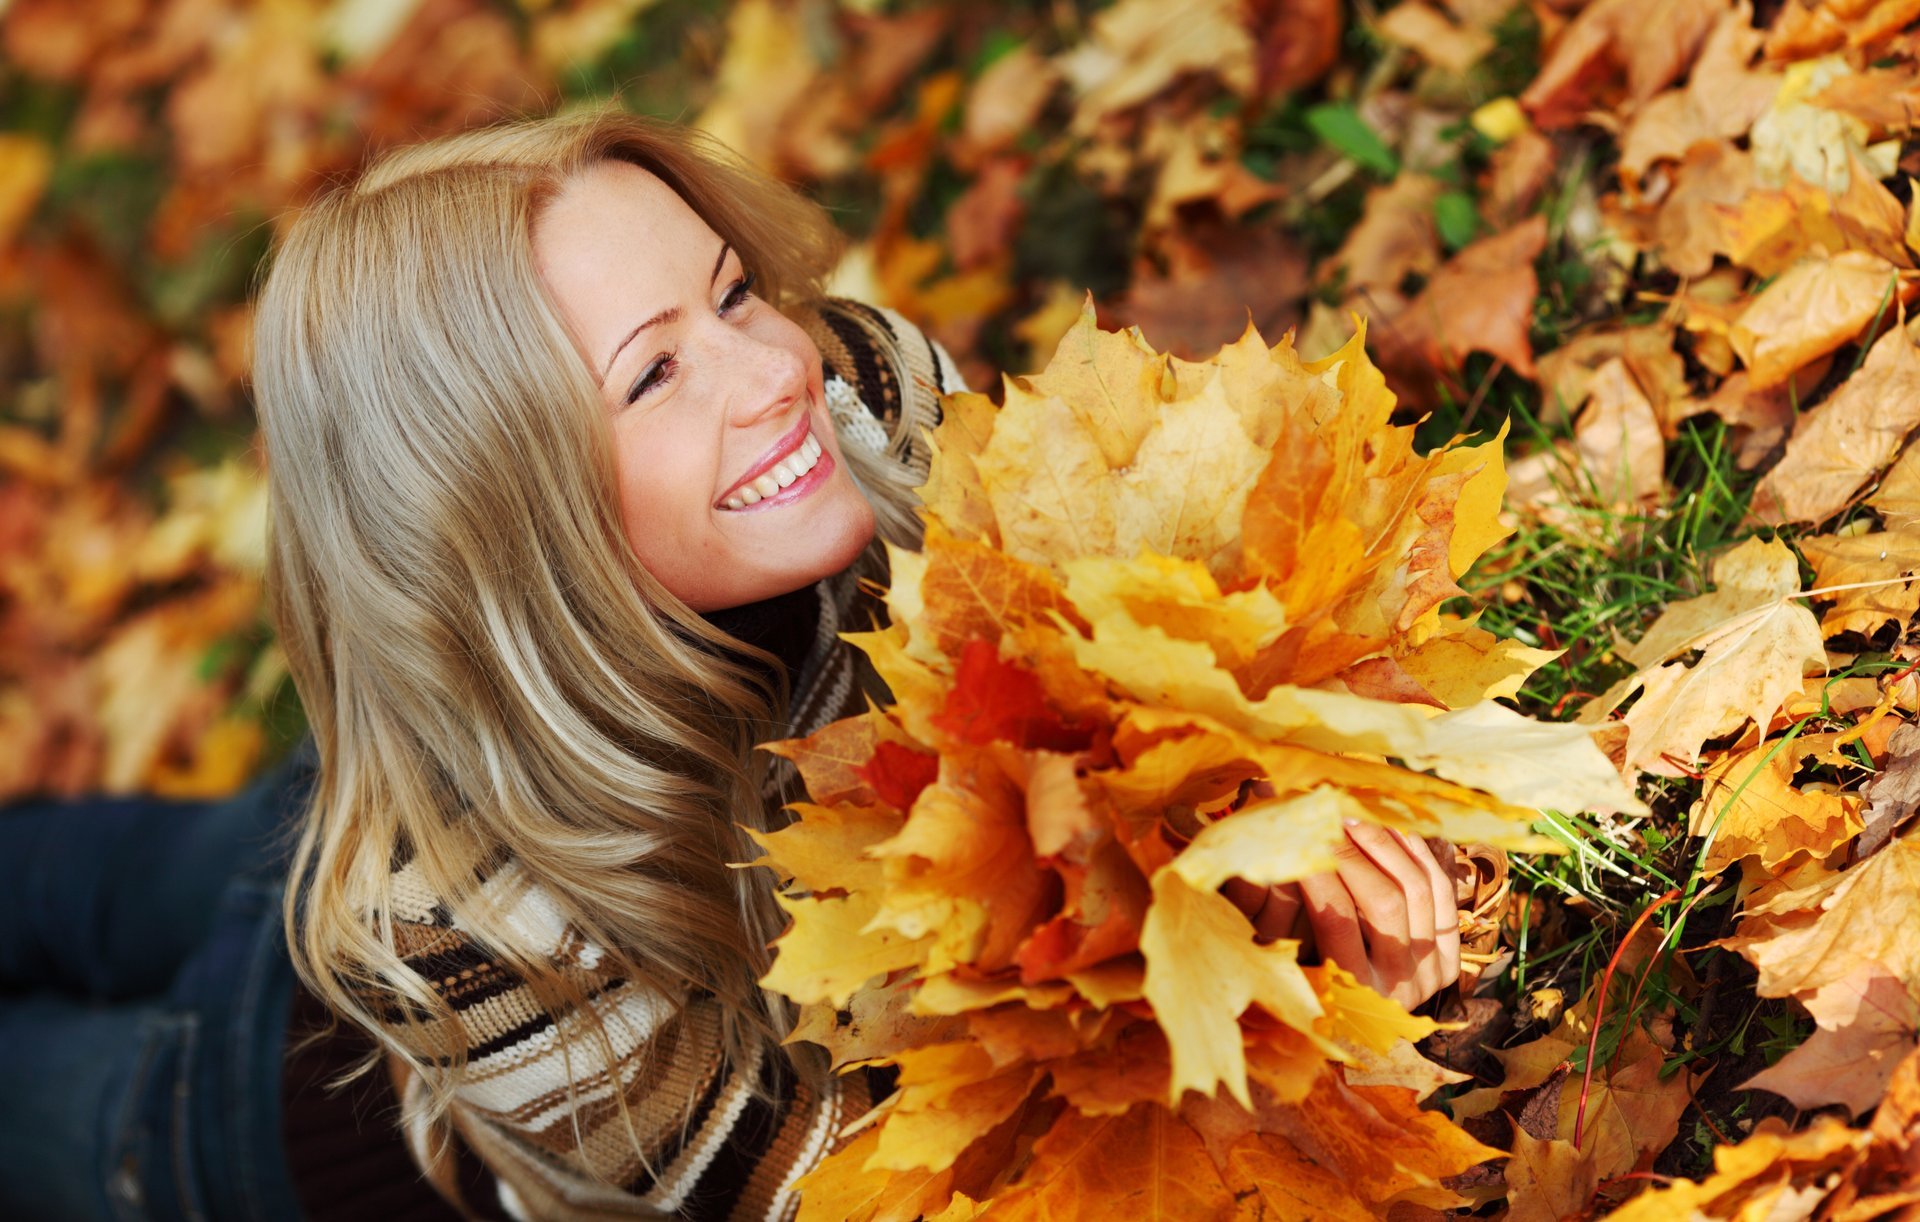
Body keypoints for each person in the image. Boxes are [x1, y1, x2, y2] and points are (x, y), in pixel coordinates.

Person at [0, 104, 1462, 1221]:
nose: (775, 371)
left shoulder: (869, 400)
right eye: (653, 371)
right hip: (269, 1098)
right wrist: (1244, 1041)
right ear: (501, 519)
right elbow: (872, 1189)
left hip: (442, 767)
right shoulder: (481, 931)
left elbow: (1118, 689)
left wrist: (1265, 852)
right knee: (59, 982)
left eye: (732, 293)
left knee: (148, 867)